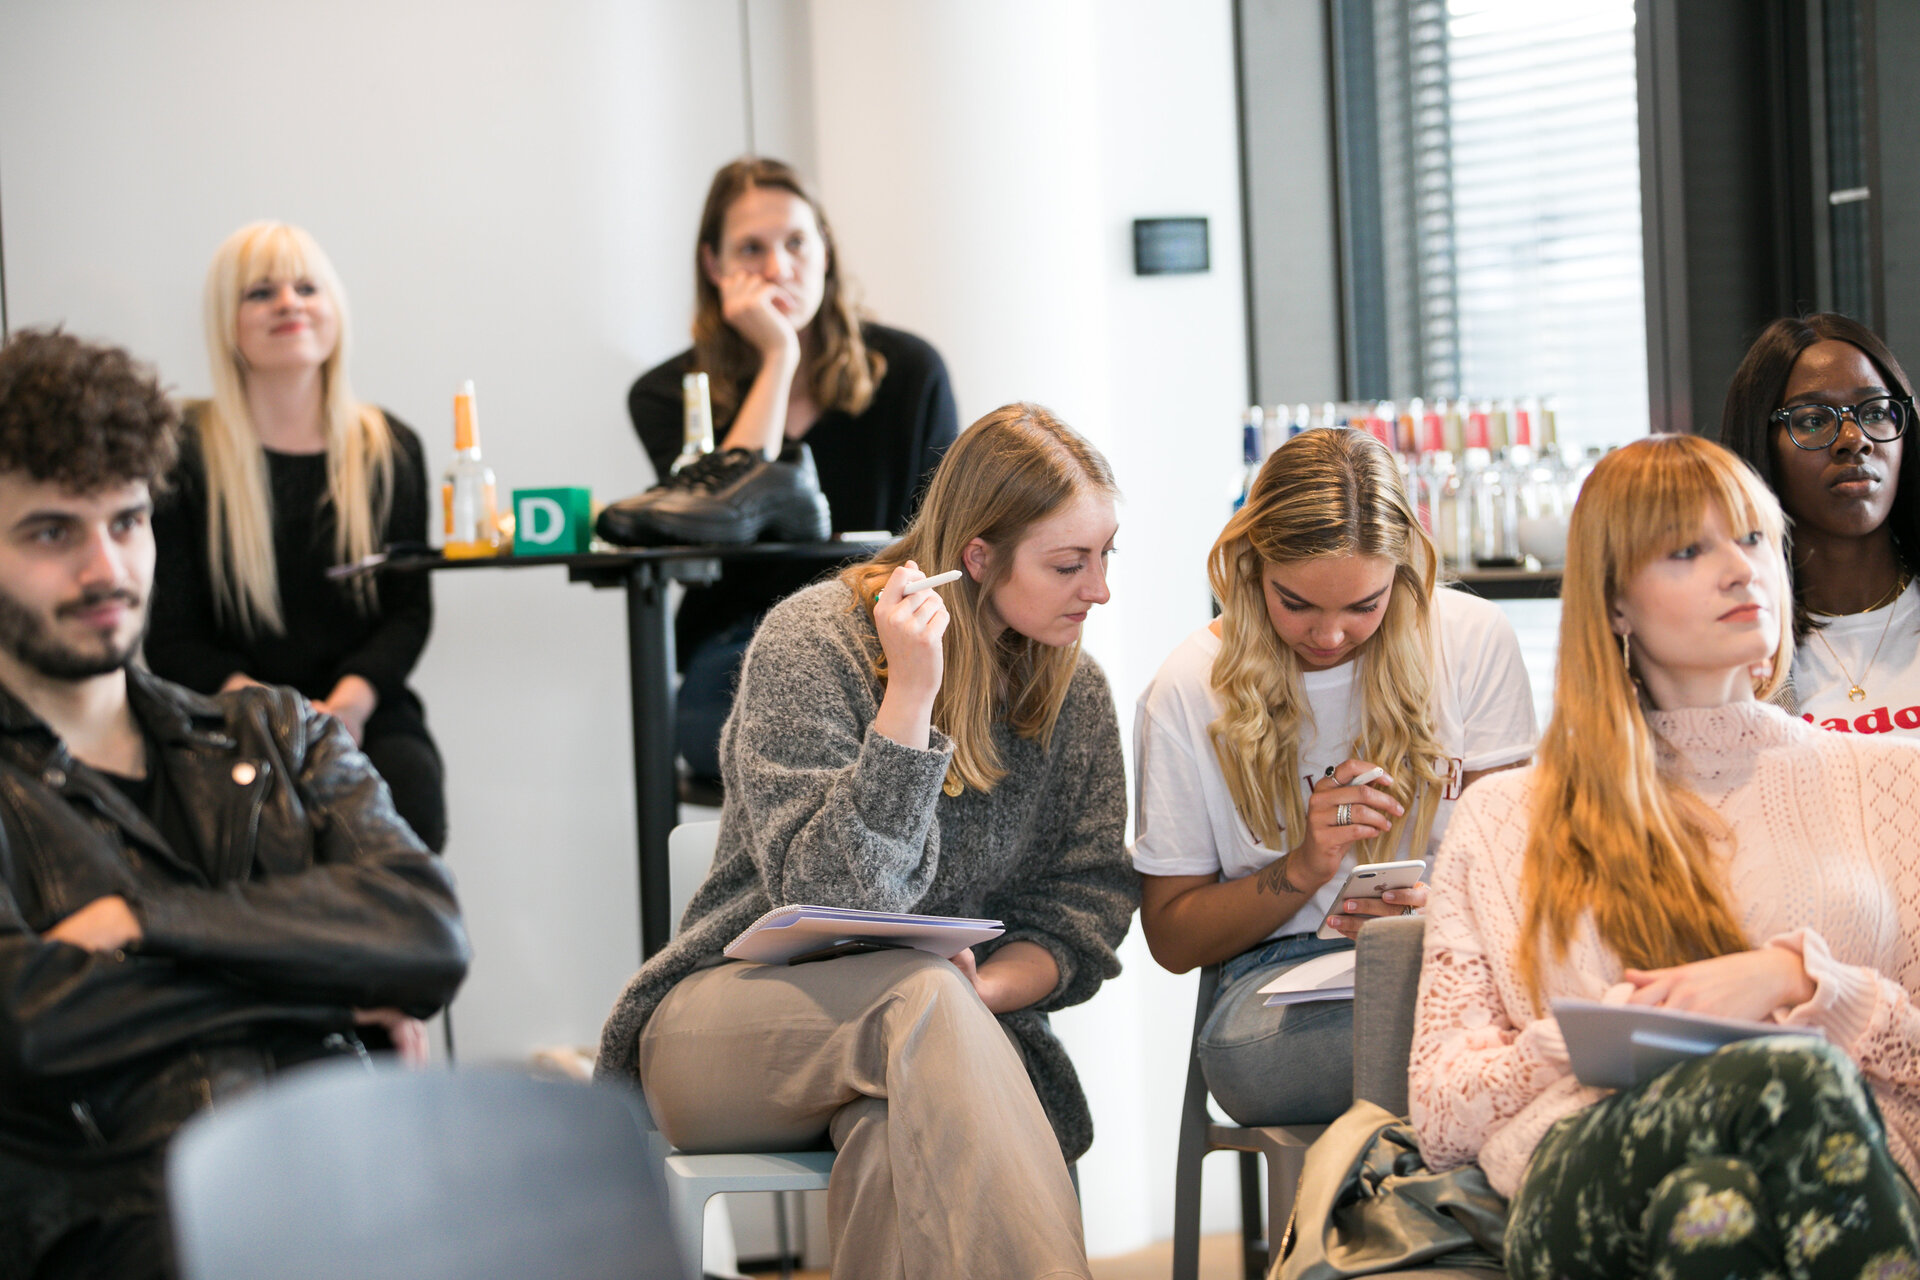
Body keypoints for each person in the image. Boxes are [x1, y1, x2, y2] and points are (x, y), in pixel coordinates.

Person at [598, 403, 1134, 1279]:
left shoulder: (1075, 696)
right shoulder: (815, 643)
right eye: (1069, 564)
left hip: (931, 1039)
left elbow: (1084, 905)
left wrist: (987, 990)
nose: (1099, 589)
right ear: (977, 558)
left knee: (896, 1138)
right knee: (919, 998)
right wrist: (909, 701)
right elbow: (834, 894)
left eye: (1108, 555)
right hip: (728, 1031)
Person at [0, 329, 468, 1280]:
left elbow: (428, 931)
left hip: (355, 1194)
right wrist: (327, 977)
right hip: (120, 1227)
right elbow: (25, 1023)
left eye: (127, 522)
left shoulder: (280, 734)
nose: (106, 569)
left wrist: (142, 923)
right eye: (53, 533)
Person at [1409, 433, 1920, 1277]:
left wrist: (1801, 984)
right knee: (1790, 1075)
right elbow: (1439, 1115)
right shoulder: (1508, 817)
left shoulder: (1894, 783)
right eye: (1688, 550)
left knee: (1712, 1204)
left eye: (1752, 538)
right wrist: (1595, 1036)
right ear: (1616, 605)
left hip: (1840, 1179)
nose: (1740, 569)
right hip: (1586, 1173)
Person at [1132, 426, 1535, 1125]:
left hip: (1454, 956)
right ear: (1251, 564)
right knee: (1516, 1045)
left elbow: (1515, 876)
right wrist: (1305, 867)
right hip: (1279, 978)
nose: (1328, 636)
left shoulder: (1473, 639)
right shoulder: (1189, 687)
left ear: (1402, 571)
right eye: (1297, 604)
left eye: (1363, 606)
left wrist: (1430, 908)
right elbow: (1172, 939)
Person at [624, 156, 959, 795]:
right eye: (751, 249)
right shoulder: (669, 393)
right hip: (738, 646)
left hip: (878, 634)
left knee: (921, 731)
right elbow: (724, 516)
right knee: (756, 735)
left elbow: (942, 535)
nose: (778, 268)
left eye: (796, 243)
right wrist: (779, 355)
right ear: (714, 265)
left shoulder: (911, 372)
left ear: (825, 250)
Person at [147, 221, 445, 851]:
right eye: (261, 293)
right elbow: (172, 639)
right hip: (227, 716)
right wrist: (278, 716)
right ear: (227, 322)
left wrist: (348, 708)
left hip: (364, 712)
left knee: (411, 791)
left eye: (307, 288)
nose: (289, 304)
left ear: (335, 308)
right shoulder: (182, 451)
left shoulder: (390, 448)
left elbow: (408, 614)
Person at [1717, 312, 1920, 736]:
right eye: (1813, 419)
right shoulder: (1728, 646)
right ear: (1760, 443)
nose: (1854, 439)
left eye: (1875, 412)